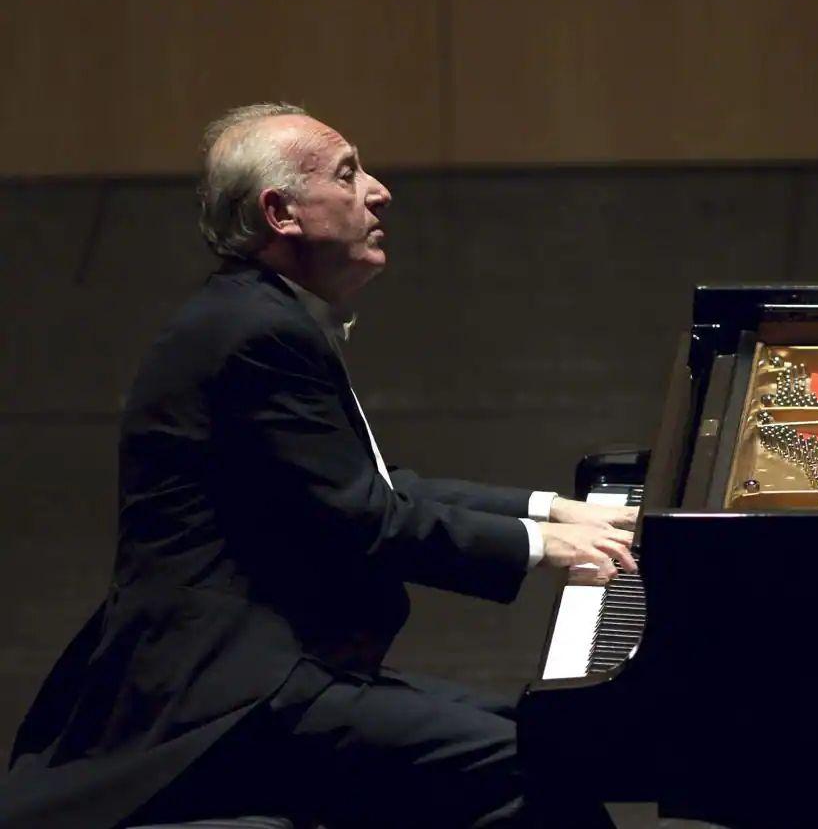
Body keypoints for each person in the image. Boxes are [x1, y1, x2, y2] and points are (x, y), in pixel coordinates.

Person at [1, 103, 637, 828]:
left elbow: (371, 490)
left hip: (277, 669)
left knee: (549, 746)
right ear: (281, 213)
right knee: (538, 770)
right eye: (347, 173)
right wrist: (544, 549)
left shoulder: (254, 314)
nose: (378, 190)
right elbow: (364, 517)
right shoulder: (256, 334)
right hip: (233, 694)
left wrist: (553, 509)